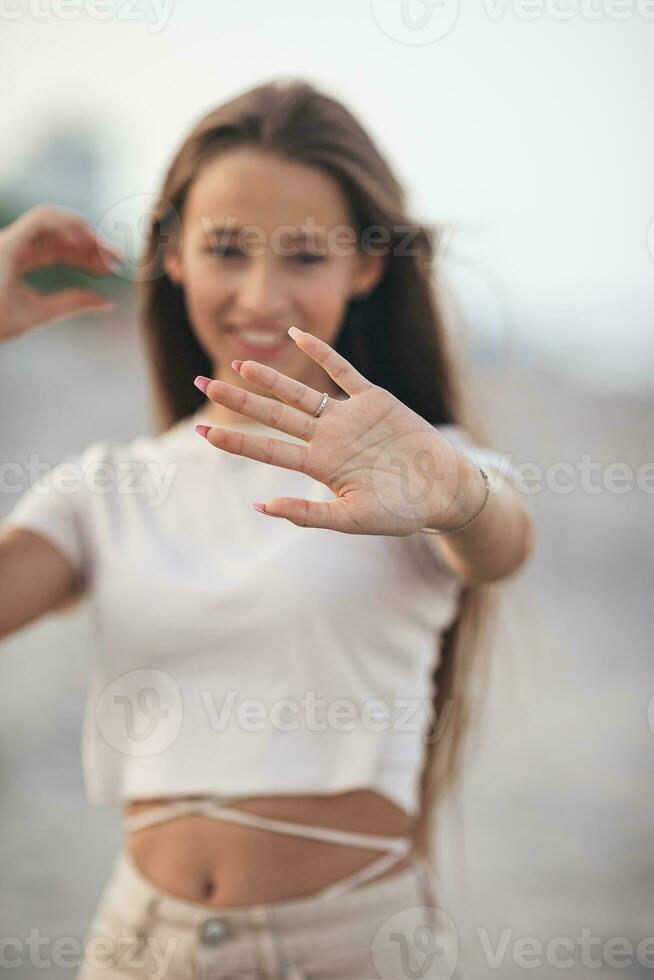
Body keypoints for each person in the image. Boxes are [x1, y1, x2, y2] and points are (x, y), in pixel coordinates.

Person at [0, 79, 535, 980]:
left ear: (366, 267)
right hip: (136, 946)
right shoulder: (110, 486)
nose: (259, 293)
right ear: (170, 254)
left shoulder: (424, 468)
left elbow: (503, 542)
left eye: (303, 256)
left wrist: (457, 495)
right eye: (226, 248)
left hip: (350, 944)